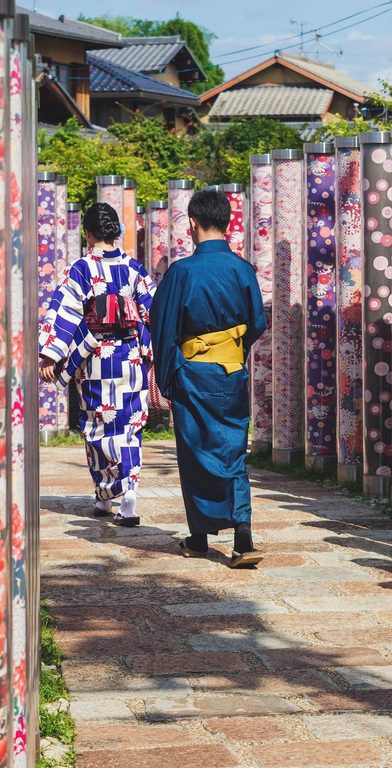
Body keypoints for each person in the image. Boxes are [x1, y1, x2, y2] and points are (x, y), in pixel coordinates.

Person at [149, 190, 266, 567]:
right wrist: (231, 350)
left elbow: (162, 326)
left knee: (195, 452)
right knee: (232, 451)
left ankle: (199, 538)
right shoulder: (242, 269)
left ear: (192, 223)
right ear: (228, 222)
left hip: (193, 374)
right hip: (231, 371)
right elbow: (257, 323)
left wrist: (166, 377)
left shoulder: (181, 271)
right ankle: (243, 537)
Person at [39, 202, 155, 526]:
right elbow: (152, 312)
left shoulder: (81, 269)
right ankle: (129, 492)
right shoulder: (135, 268)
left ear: (87, 233)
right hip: (131, 359)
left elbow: (65, 313)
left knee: (97, 426)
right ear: (116, 231)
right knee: (130, 425)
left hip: (96, 361)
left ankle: (104, 496)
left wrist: (51, 354)